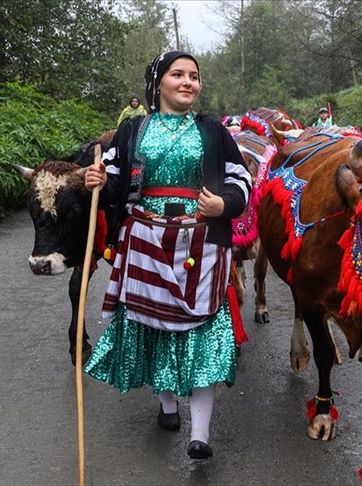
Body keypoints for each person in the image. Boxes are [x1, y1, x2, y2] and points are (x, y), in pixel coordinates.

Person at [83, 50, 251, 459]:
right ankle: (167, 406)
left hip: (201, 243)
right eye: (178, 74)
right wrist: (98, 180)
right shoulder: (133, 130)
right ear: (158, 82)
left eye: (194, 76)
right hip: (145, 239)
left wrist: (224, 204)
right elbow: (114, 180)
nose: (188, 82)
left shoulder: (214, 131)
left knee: (202, 332)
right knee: (154, 327)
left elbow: (241, 179)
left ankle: (200, 435)